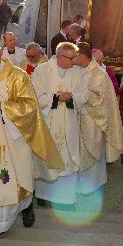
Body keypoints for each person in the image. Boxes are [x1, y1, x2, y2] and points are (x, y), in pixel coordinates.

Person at [0, 40, 63, 237]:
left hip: (13, 136)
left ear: (1, 52)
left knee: (16, 176)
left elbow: (30, 106)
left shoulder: (18, 76)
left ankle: (26, 205)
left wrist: (3, 107)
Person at [31, 42, 89, 207]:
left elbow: (85, 94)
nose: (74, 61)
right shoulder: (41, 71)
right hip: (48, 121)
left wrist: (71, 96)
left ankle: (66, 199)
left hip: (69, 122)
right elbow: (35, 96)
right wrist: (56, 98)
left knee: (67, 159)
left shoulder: (79, 72)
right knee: (47, 158)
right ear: (60, 56)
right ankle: (43, 195)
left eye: (75, 57)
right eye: (71, 58)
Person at [73, 43, 123, 194]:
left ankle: (92, 185)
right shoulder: (79, 70)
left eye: (74, 56)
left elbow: (98, 99)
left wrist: (73, 96)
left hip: (93, 120)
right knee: (79, 152)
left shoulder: (98, 74)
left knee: (92, 152)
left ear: (81, 56)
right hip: (78, 117)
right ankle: (81, 184)